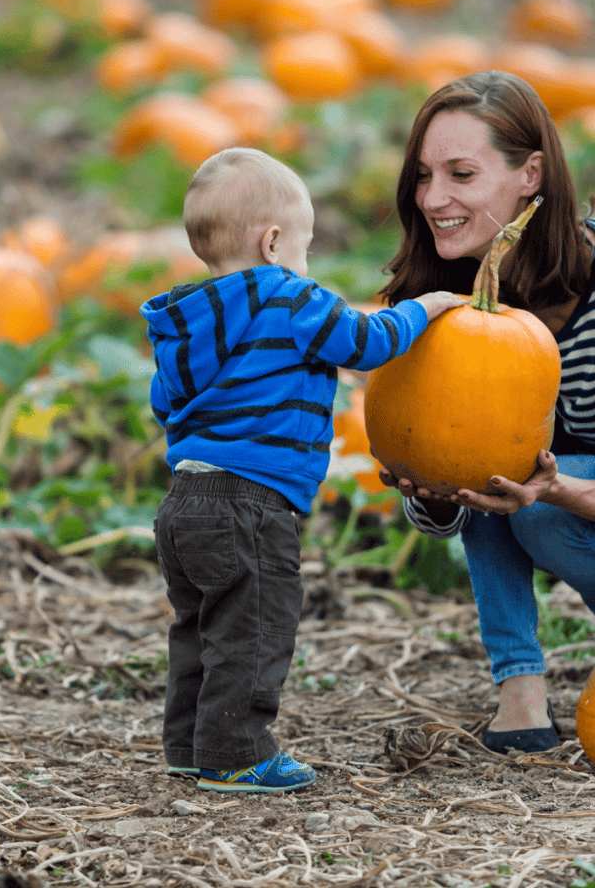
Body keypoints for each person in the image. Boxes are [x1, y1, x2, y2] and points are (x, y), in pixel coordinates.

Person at [140, 147, 463, 793]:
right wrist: (425, 308)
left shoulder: (186, 320)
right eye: (305, 249)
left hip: (186, 501)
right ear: (274, 241)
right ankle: (236, 755)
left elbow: (161, 403)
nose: (306, 264)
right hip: (251, 501)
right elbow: (365, 345)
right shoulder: (288, 297)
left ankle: (188, 745)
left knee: (200, 629)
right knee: (255, 627)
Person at [376, 69, 595, 754]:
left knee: (531, 495)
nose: (433, 198)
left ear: (531, 174)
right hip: (539, 497)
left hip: (574, 505)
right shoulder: (433, 303)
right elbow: (442, 496)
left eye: (461, 175)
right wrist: (434, 494)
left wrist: (557, 488)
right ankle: (519, 688)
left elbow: (545, 491)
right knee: (487, 468)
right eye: (422, 176)